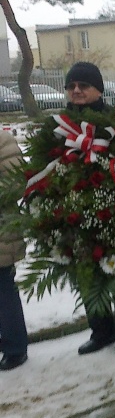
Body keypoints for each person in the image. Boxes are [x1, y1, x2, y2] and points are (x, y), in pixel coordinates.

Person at [63, 62, 115, 355]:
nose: (76, 91)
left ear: (99, 89)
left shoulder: (113, 121)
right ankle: (101, 330)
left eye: (83, 85)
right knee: (87, 271)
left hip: (113, 208)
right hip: (74, 212)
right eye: (71, 86)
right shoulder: (60, 125)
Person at [0, 129, 28, 371]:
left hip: (1, 228)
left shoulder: (2, 141)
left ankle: (15, 348)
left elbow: (15, 183)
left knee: (3, 288)